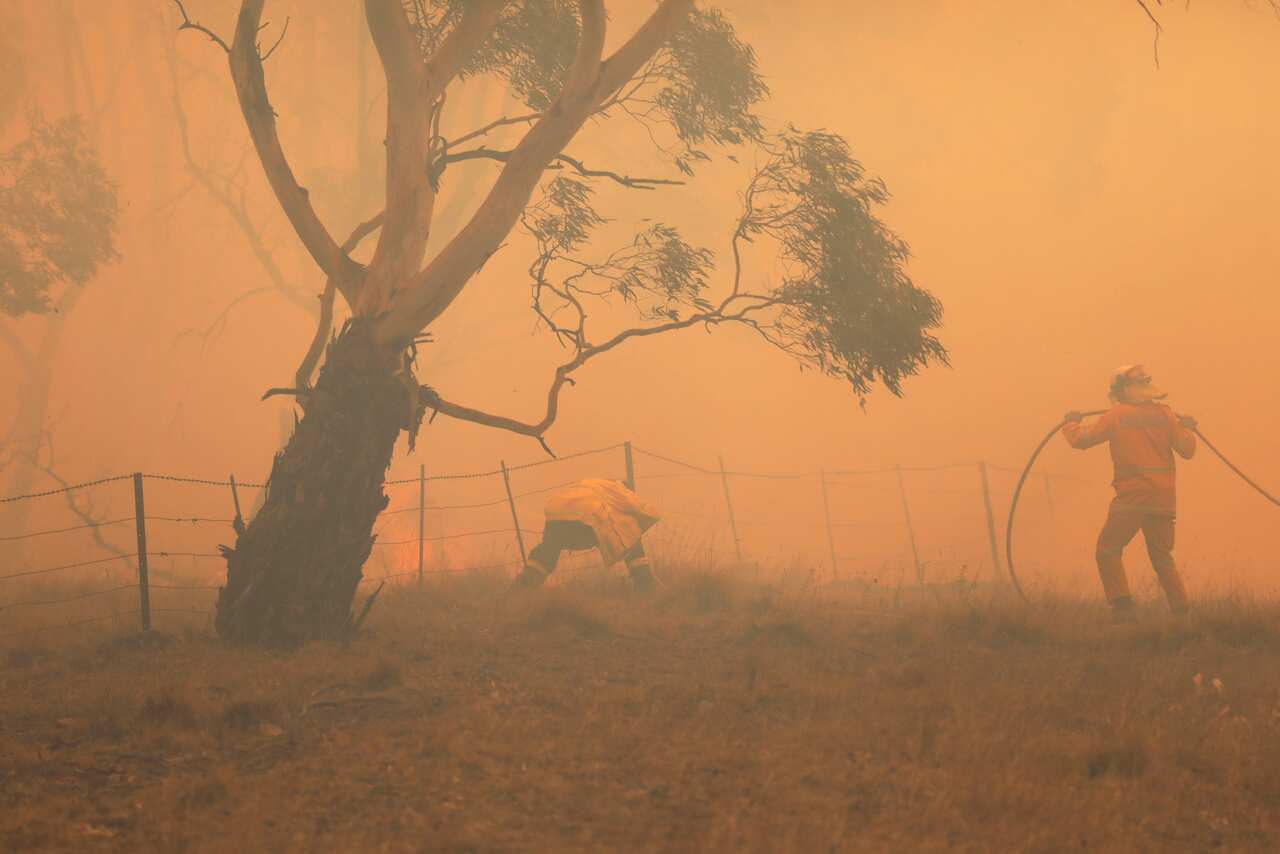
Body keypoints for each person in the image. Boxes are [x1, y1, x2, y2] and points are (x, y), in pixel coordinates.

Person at [1062, 365, 1197, 615]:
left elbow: (1081, 439)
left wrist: (1070, 423)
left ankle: (1123, 610)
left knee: (1107, 549)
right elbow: (1187, 449)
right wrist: (1186, 427)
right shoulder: (1166, 415)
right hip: (1164, 499)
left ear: (1121, 389)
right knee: (1161, 556)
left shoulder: (1116, 416)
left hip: (1133, 497)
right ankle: (1181, 612)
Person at [511, 479, 661, 592]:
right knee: (631, 539)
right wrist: (651, 514)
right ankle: (645, 583)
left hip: (555, 512)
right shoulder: (618, 489)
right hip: (586, 514)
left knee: (547, 551)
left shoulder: (596, 484)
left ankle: (521, 589)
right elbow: (634, 505)